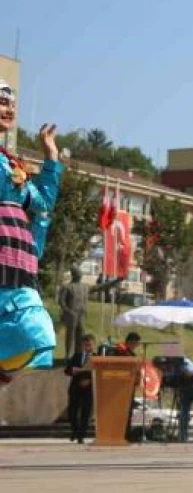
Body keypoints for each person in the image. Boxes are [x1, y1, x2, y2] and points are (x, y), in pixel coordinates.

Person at [0, 103, 62, 388]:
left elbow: (43, 204)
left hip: (18, 261)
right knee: (31, 331)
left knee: (36, 335)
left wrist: (51, 157)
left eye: (11, 103)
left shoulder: (10, 163)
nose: (9, 108)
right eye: (1, 101)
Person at [64, 333, 96, 444]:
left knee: (85, 413)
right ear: (82, 345)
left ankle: (81, 436)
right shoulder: (77, 356)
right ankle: (75, 431)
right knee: (72, 412)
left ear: (93, 345)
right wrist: (73, 370)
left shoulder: (97, 357)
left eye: (90, 345)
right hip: (75, 387)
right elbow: (67, 370)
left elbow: (100, 372)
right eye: (86, 344)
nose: (88, 347)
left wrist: (90, 380)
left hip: (89, 388)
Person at [57, 267, 89, 359]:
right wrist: (68, 311)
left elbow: (100, 287)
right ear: (74, 275)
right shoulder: (67, 287)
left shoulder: (85, 286)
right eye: (78, 273)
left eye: (80, 273)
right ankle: (68, 355)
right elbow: (61, 301)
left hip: (82, 314)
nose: (80, 275)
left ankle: (78, 355)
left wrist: (115, 281)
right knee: (70, 335)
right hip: (71, 314)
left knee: (81, 335)